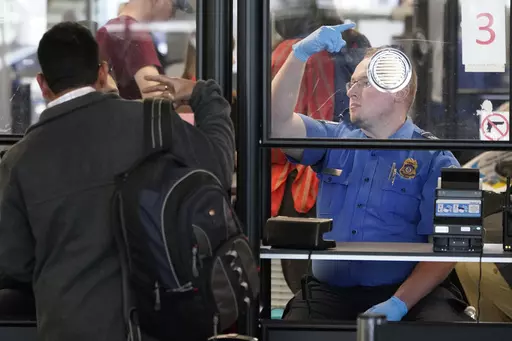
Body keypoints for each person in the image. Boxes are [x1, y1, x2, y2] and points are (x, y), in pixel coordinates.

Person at [0, 21, 234, 341]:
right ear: (101, 73)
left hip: (68, 328)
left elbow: (15, 263)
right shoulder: (154, 122)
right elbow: (218, 170)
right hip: (159, 323)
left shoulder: (19, 161)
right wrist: (203, 94)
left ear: (42, 84)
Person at [271, 24, 471, 322]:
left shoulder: (438, 160)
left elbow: (452, 247)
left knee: (442, 330)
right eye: (351, 83)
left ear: (399, 91)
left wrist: (400, 304)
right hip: (329, 294)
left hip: (410, 294)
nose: (351, 91)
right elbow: (275, 124)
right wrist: (300, 55)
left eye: (365, 82)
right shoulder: (332, 139)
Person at [271, 2, 371, 293]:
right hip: (345, 160)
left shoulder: (284, 52)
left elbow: (273, 123)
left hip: (295, 169)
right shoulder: (350, 46)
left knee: (302, 274)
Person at [96, 0, 194, 99]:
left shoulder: (108, 30)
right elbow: (157, 101)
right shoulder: (134, 34)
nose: (173, 16)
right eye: (174, 7)